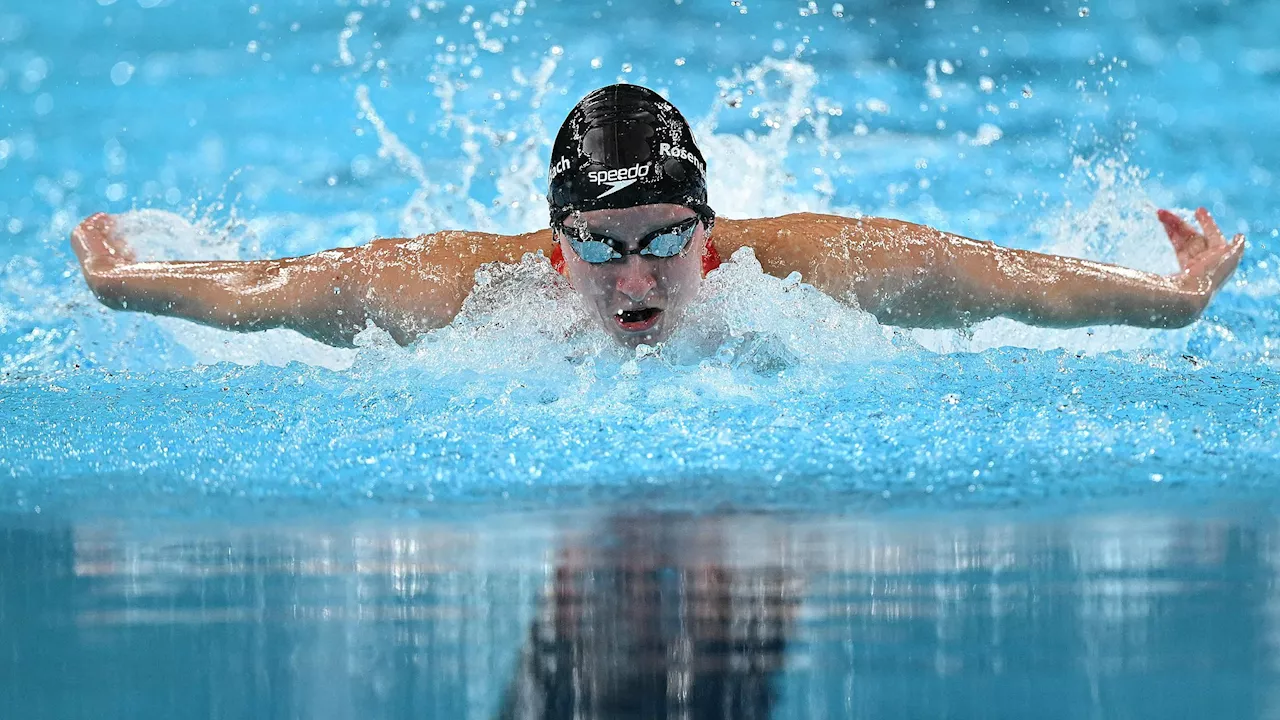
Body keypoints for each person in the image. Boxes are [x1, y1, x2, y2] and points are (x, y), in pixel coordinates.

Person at [71, 84, 1245, 350]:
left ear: (711, 233)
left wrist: (1173, 300)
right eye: (600, 248)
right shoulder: (466, 289)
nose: (635, 282)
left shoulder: (799, 269)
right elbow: (273, 291)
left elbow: (1005, 282)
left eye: (666, 241)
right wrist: (133, 282)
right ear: (553, 243)